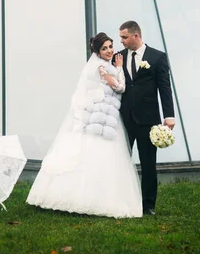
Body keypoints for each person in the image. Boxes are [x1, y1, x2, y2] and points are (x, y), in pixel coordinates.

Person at [27, 32, 142, 218]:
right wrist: (119, 67)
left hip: (105, 118)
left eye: (110, 46)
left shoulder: (102, 66)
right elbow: (120, 87)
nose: (109, 51)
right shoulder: (101, 68)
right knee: (98, 155)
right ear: (97, 51)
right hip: (100, 119)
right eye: (104, 48)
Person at [116, 20, 175, 216]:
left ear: (136, 36)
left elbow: (165, 88)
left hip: (148, 120)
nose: (121, 41)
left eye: (124, 37)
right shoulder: (118, 57)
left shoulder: (157, 57)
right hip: (123, 119)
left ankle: (148, 205)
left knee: (148, 163)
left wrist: (169, 116)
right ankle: (122, 201)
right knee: (120, 161)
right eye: (120, 38)